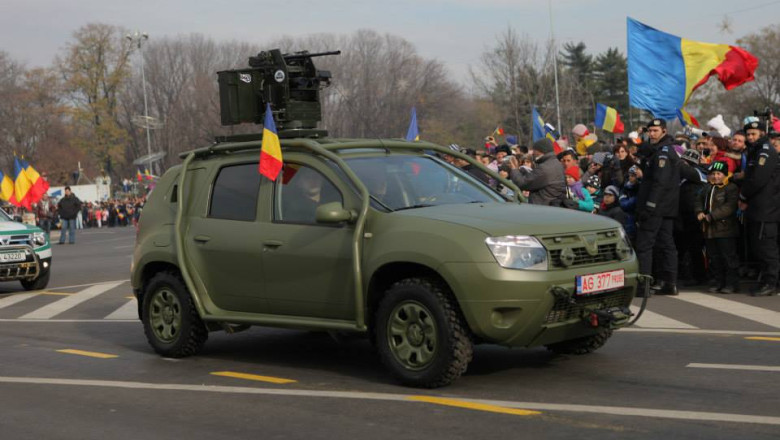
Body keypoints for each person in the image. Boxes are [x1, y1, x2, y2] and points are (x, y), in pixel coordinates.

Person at [635, 119, 681, 296]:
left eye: (655, 131)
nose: (651, 134)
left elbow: (659, 183)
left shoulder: (663, 153)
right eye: (650, 131)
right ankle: (669, 283)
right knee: (665, 244)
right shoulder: (659, 150)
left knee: (645, 245)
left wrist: (649, 206)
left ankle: (644, 285)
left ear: (663, 131)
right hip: (665, 207)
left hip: (656, 207)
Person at [738, 120, 780, 297]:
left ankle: (771, 282)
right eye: (748, 134)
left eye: (753, 134)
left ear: (762, 134)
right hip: (759, 207)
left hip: (766, 208)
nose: (750, 137)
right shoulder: (755, 151)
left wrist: (743, 196)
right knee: (759, 246)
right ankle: (767, 280)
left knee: (766, 248)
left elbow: (757, 180)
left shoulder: (765, 152)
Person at [695, 161, 740, 293]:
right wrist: (699, 212)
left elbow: (730, 206)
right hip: (709, 230)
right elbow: (697, 200)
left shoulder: (731, 188)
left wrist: (712, 216)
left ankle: (731, 284)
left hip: (726, 229)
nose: (715, 176)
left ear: (725, 175)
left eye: (719, 174)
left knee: (728, 257)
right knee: (714, 258)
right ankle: (718, 281)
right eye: (713, 174)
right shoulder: (707, 187)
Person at [508, 138, 566, 206]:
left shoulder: (544, 168)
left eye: (535, 150)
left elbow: (522, 183)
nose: (533, 153)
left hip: (542, 207)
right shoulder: (557, 164)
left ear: (541, 150)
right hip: (552, 205)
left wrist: (514, 169)